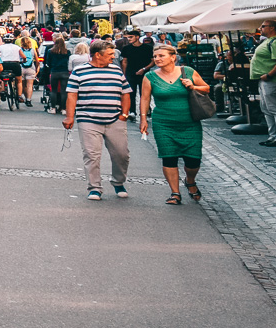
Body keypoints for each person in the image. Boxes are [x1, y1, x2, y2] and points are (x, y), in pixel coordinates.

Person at [140, 41, 209, 205]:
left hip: (189, 122)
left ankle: (190, 180)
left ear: (173, 57)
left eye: (161, 56)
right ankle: (175, 193)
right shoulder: (150, 77)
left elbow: (206, 88)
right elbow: (145, 98)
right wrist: (143, 118)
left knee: (193, 160)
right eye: (155, 56)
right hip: (163, 122)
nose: (157, 59)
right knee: (168, 157)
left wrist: (193, 86)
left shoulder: (188, 72)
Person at [64, 38, 133, 200]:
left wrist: (124, 114)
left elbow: (126, 93)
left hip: (115, 119)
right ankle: (94, 187)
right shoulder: (79, 71)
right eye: (109, 54)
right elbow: (72, 95)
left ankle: (118, 181)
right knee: (92, 155)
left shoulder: (116, 70)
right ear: (97, 55)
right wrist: (69, 116)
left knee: (121, 154)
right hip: (88, 119)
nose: (113, 57)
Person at [42, 38, 71, 112]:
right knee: (63, 91)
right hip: (64, 72)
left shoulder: (50, 51)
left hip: (54, 71)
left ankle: (53, 108)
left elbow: (48, 62)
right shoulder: (67, 52)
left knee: (53, 91)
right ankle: (63, 108)